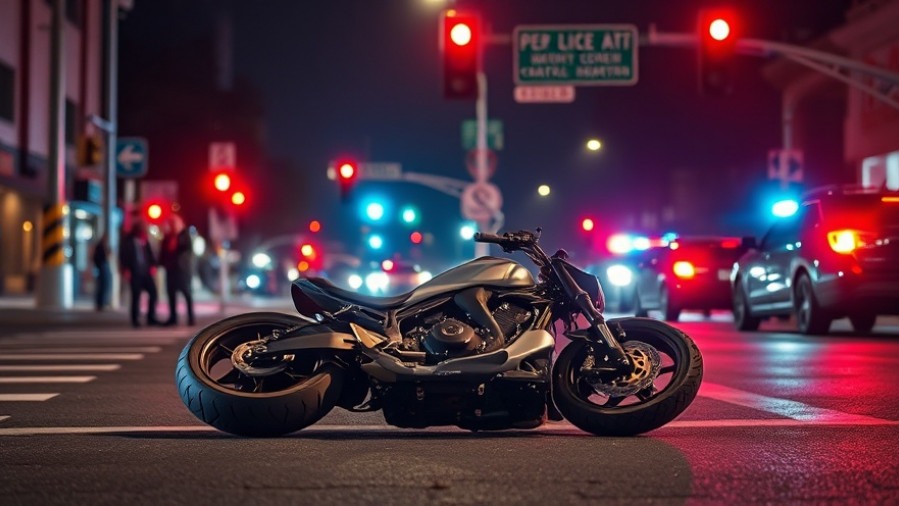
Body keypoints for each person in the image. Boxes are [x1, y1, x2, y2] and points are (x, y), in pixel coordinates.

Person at [119, 220, 160, 327]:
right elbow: (123, 256)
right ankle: (135, 319)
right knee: (136, 296)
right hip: (135, 271)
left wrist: (153, 266)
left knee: (153, 293)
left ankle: (151, 317)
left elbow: (150, 255)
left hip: (146, 272)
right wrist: (126, 270)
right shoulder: (129, 240)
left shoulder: (145, 240)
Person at [160, 214, 195, 326]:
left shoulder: (184, 235)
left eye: (174, 223)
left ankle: (190, 317)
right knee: (171, 294)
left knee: (186, 293)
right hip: (171, 269)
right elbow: (163, 252)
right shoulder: (167, 236)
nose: (172, 226)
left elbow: (187, 250)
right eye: (171, 223)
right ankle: (172, 317)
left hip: (182, 270)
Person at [92, 235, 111, 311]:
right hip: (101, 267)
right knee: (102, 286)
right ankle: (100, 303)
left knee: (103, 285)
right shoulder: (100, 247)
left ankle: (101, 303)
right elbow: (97, 257)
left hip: (102, 266)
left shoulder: (103, 246)